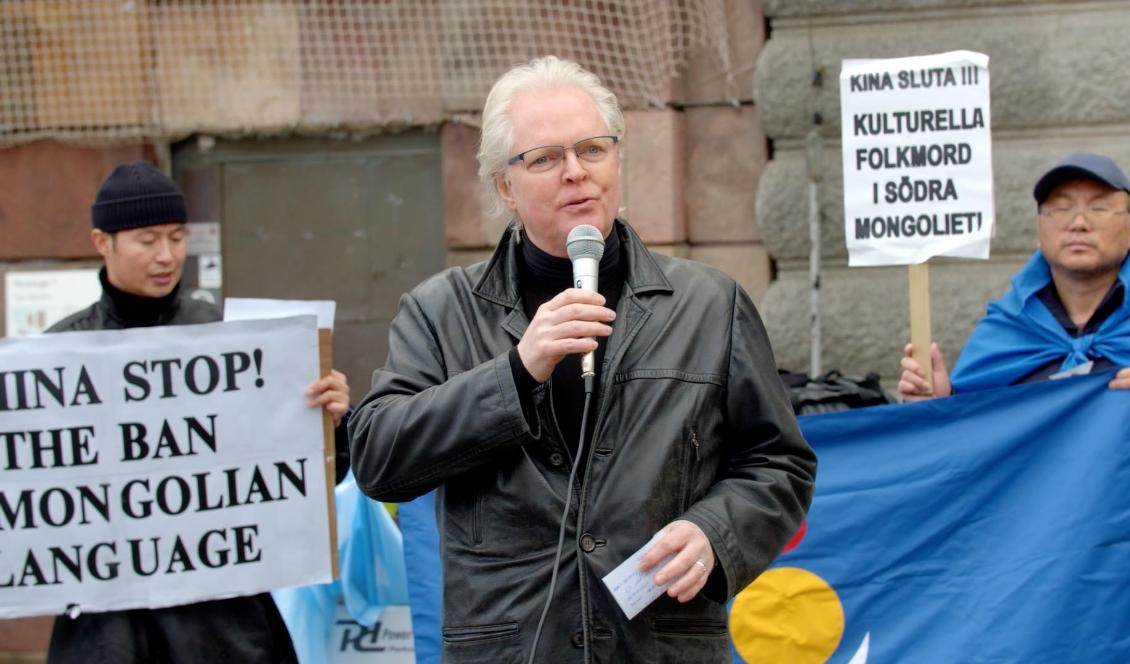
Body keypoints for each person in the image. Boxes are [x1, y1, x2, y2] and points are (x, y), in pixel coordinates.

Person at [349, 56, 815, 663]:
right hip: (514, 648)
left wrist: (716, 532)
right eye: (545, 158)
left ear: (617, 160)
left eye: (592, 149)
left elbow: (778, 463)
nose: (576, 173)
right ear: (504, 187)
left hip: (657, 643)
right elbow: (380, 458)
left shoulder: (710, 304)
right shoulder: (440, 311)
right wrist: (515, 372)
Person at [45, 160, 351, 664]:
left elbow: (304, 483)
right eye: (147, 240)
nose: (167, 256)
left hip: (225, 628)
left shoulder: (234, 341)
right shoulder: (58, 356)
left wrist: (331, 423)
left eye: (177, 237)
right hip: (110, 632)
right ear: (103, 242)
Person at [900, 152, 1130, 400]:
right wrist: (941, 402)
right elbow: (977, 426)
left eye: (1099, 207)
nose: (1079, 223)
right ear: (1039, 229)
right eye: (1061, 208)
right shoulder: (1007, 327)